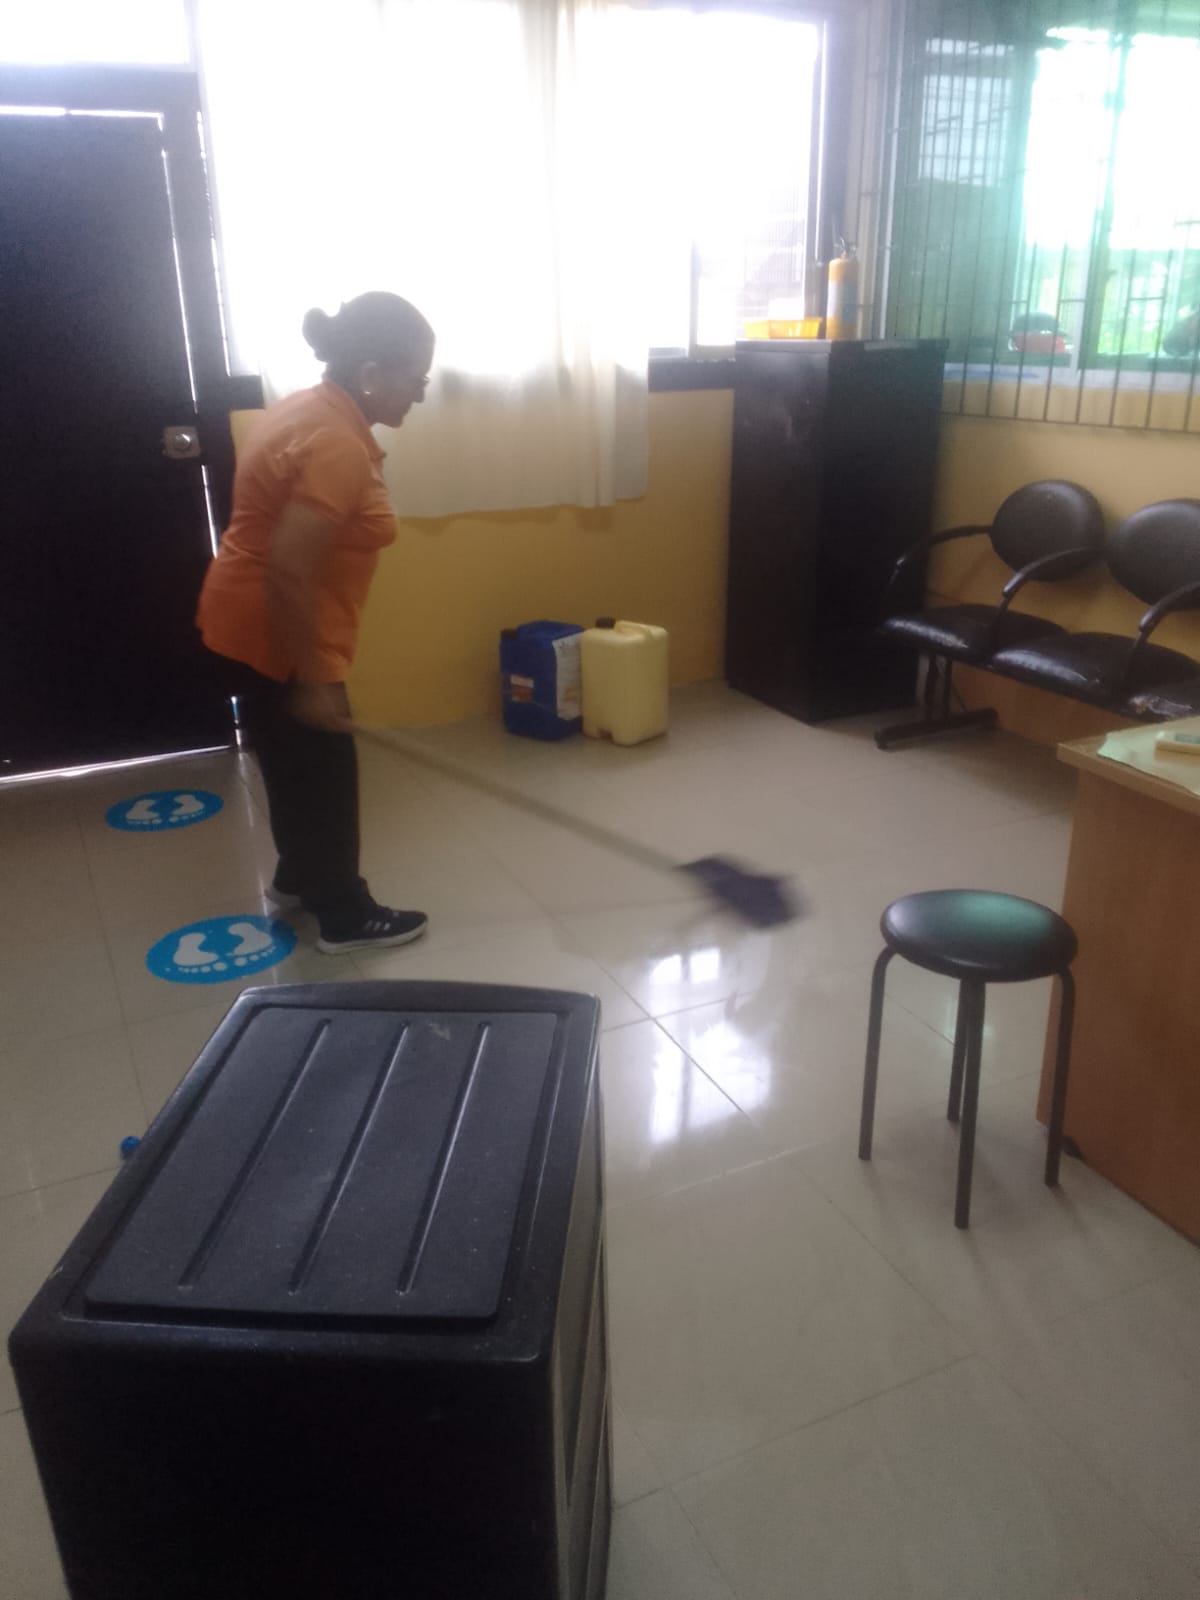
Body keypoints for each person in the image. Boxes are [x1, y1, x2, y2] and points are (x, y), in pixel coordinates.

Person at [198, 291, 434, 953]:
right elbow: (288, 568)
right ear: (370, 373)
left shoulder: (310, 409)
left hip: (245, 620)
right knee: (325, 775)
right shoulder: (336, 444)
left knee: (291, 763)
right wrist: (313, 678)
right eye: (415, 381)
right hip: (276, 628)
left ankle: (300, 876)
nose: (420, 395)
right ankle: (345, 915)